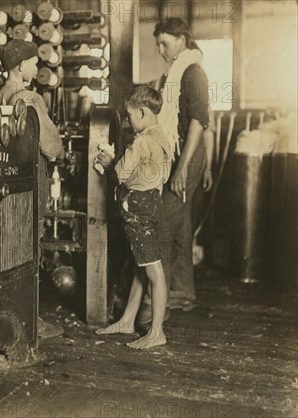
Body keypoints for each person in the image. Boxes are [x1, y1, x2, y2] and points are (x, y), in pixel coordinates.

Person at [137, 18, 210, 324]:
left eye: (165, 42)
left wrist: (182, 168)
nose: (160, 48)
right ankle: (182, 291)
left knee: (164, 222)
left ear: (182, 39)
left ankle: (157, 301)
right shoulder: (174, 73)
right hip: (181, 153)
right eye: (158, 43)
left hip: (187, 156)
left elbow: (198, 122)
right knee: (180, 222)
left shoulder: (192, 72)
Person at [0, 39, 65, 338]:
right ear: (21, 66)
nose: (37, 67)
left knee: (10, 245)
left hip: (8, 179)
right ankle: (31, 319)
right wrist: (57, 147)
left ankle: (8, 315)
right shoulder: (31, 98)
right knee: (31, 245)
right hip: (33, 177)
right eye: (35, 62)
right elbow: (52, 147)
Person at [94, 86, 173, 349]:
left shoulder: (140, 141)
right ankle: (128, 320)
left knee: (154, 271)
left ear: (142, 112)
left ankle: (157, 332)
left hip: (138, 209)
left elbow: (121, 173)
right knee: (143, 264)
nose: (127, 121)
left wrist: (108, 161)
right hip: (151, 204)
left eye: (129, 116)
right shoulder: (162, 136)